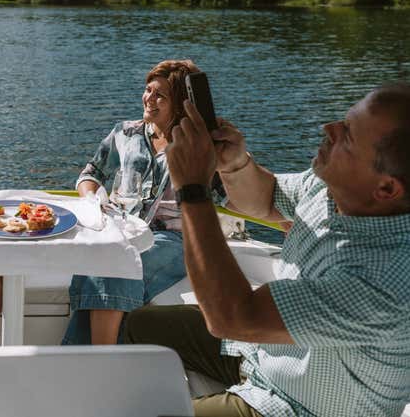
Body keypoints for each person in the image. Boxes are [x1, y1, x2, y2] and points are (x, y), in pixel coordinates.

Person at [126, 84, 410, 416]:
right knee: (137, 326)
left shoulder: (388, 282)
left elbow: (232, 318)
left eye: (348, 136)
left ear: (386, 188)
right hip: (260, 354)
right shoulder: (332, 188)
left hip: (295, 406)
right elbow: (267, 197)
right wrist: (234, 165)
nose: (328, 128)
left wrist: (191, 188)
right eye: (343, 121)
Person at [63, 59, 224, 345]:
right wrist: (92, 200)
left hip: (175, 240)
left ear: (182, 104)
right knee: (104, 262)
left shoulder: (198, 145)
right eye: (148, 90)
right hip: (123, 230)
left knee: (116, 264)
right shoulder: (125, 133)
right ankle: (101, 359)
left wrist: (282, 218)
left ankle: (92, 358)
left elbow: (228, 194)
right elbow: (91, 174)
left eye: (160, 95)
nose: (149, 98)